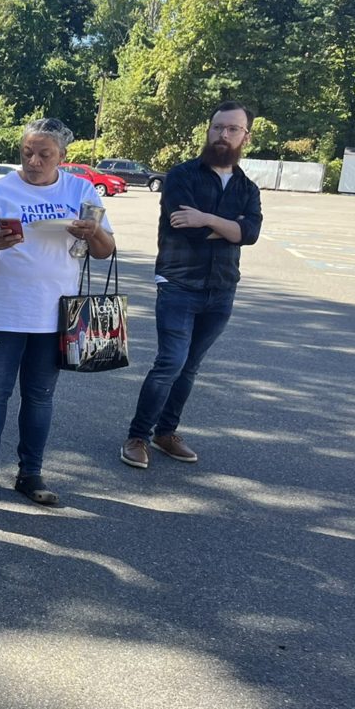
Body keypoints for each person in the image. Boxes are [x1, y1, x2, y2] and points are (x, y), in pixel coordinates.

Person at [0, 118, 115, 506]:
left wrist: (91, 232)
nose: (33, 160)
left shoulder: (81, 190)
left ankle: (31, 474)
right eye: (27, 152)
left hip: (56, 314)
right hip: (3, 310)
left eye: (44, 154)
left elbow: (105, 249)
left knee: (40, 397)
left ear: (62, 156)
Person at [120, 102, 263, 469]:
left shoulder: (247, 186)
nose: (223, 135)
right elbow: (192, 230)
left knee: (190, 367)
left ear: (246, 136)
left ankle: (166, 433)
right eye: (218, 127)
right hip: (179, 283)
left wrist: (209, 218)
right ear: (209, 129)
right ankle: (138, 436)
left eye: (232, 129)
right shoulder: (181, 175)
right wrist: (227, 227)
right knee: (171, 362)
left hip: (222, 288)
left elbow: (251, 234)